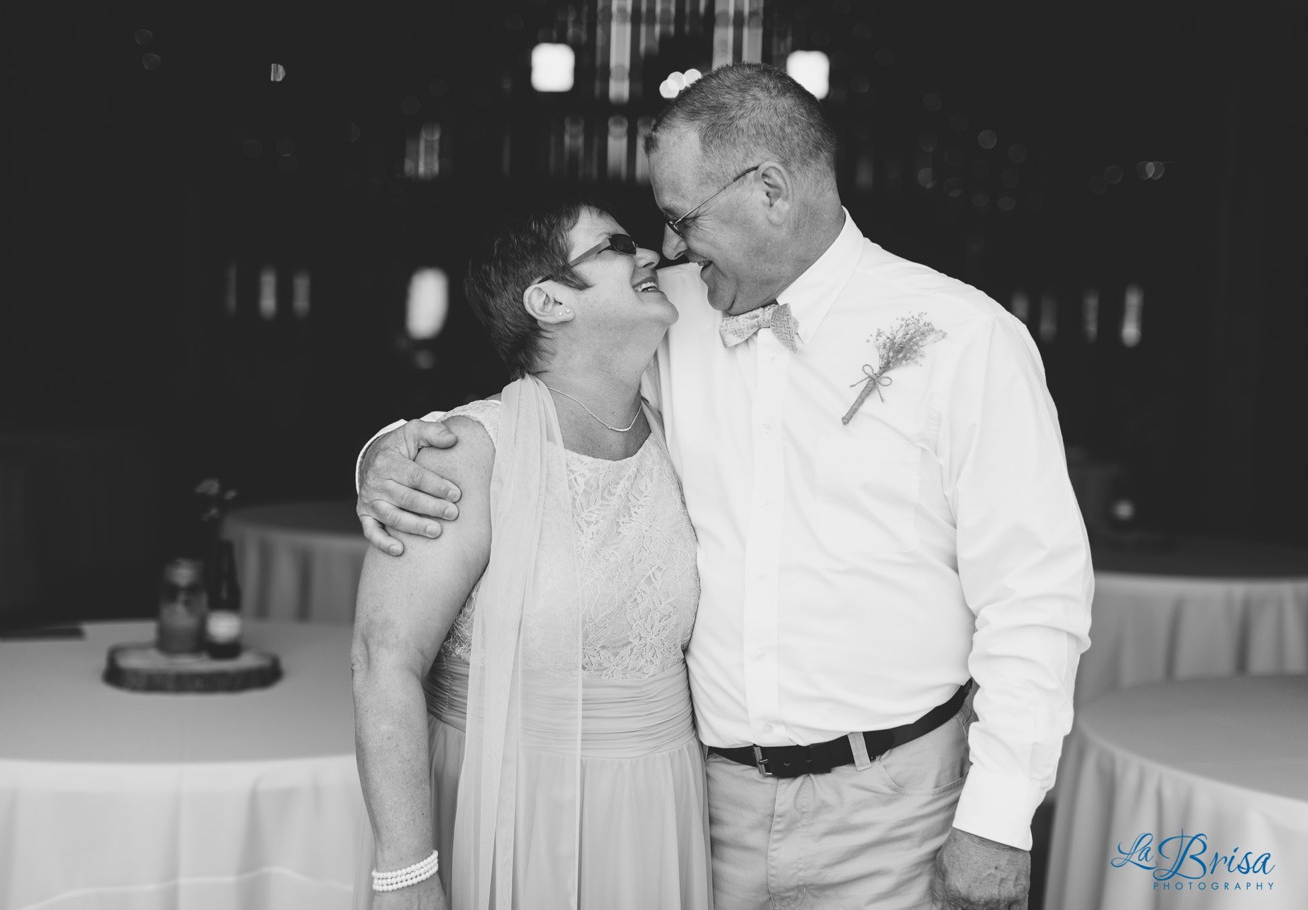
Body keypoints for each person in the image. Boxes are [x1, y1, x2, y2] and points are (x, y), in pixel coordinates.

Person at [356, 64, 1093, 910]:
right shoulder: (665, 313)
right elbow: (548, 395)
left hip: (897, 806)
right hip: (701, 812)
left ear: (769, 190)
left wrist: (996, 820)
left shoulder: (965, 338)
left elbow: (1034, 595)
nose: (668, 247)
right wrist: (390, 454)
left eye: (681, 218)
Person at [350, 201, 712, 909]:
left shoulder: (679, 431)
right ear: (547, 301)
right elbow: (381, 659)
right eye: (616, 245)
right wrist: (405, 873)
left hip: (657, 813)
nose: (650, 255)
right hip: (509, 811)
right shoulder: (466, 452)